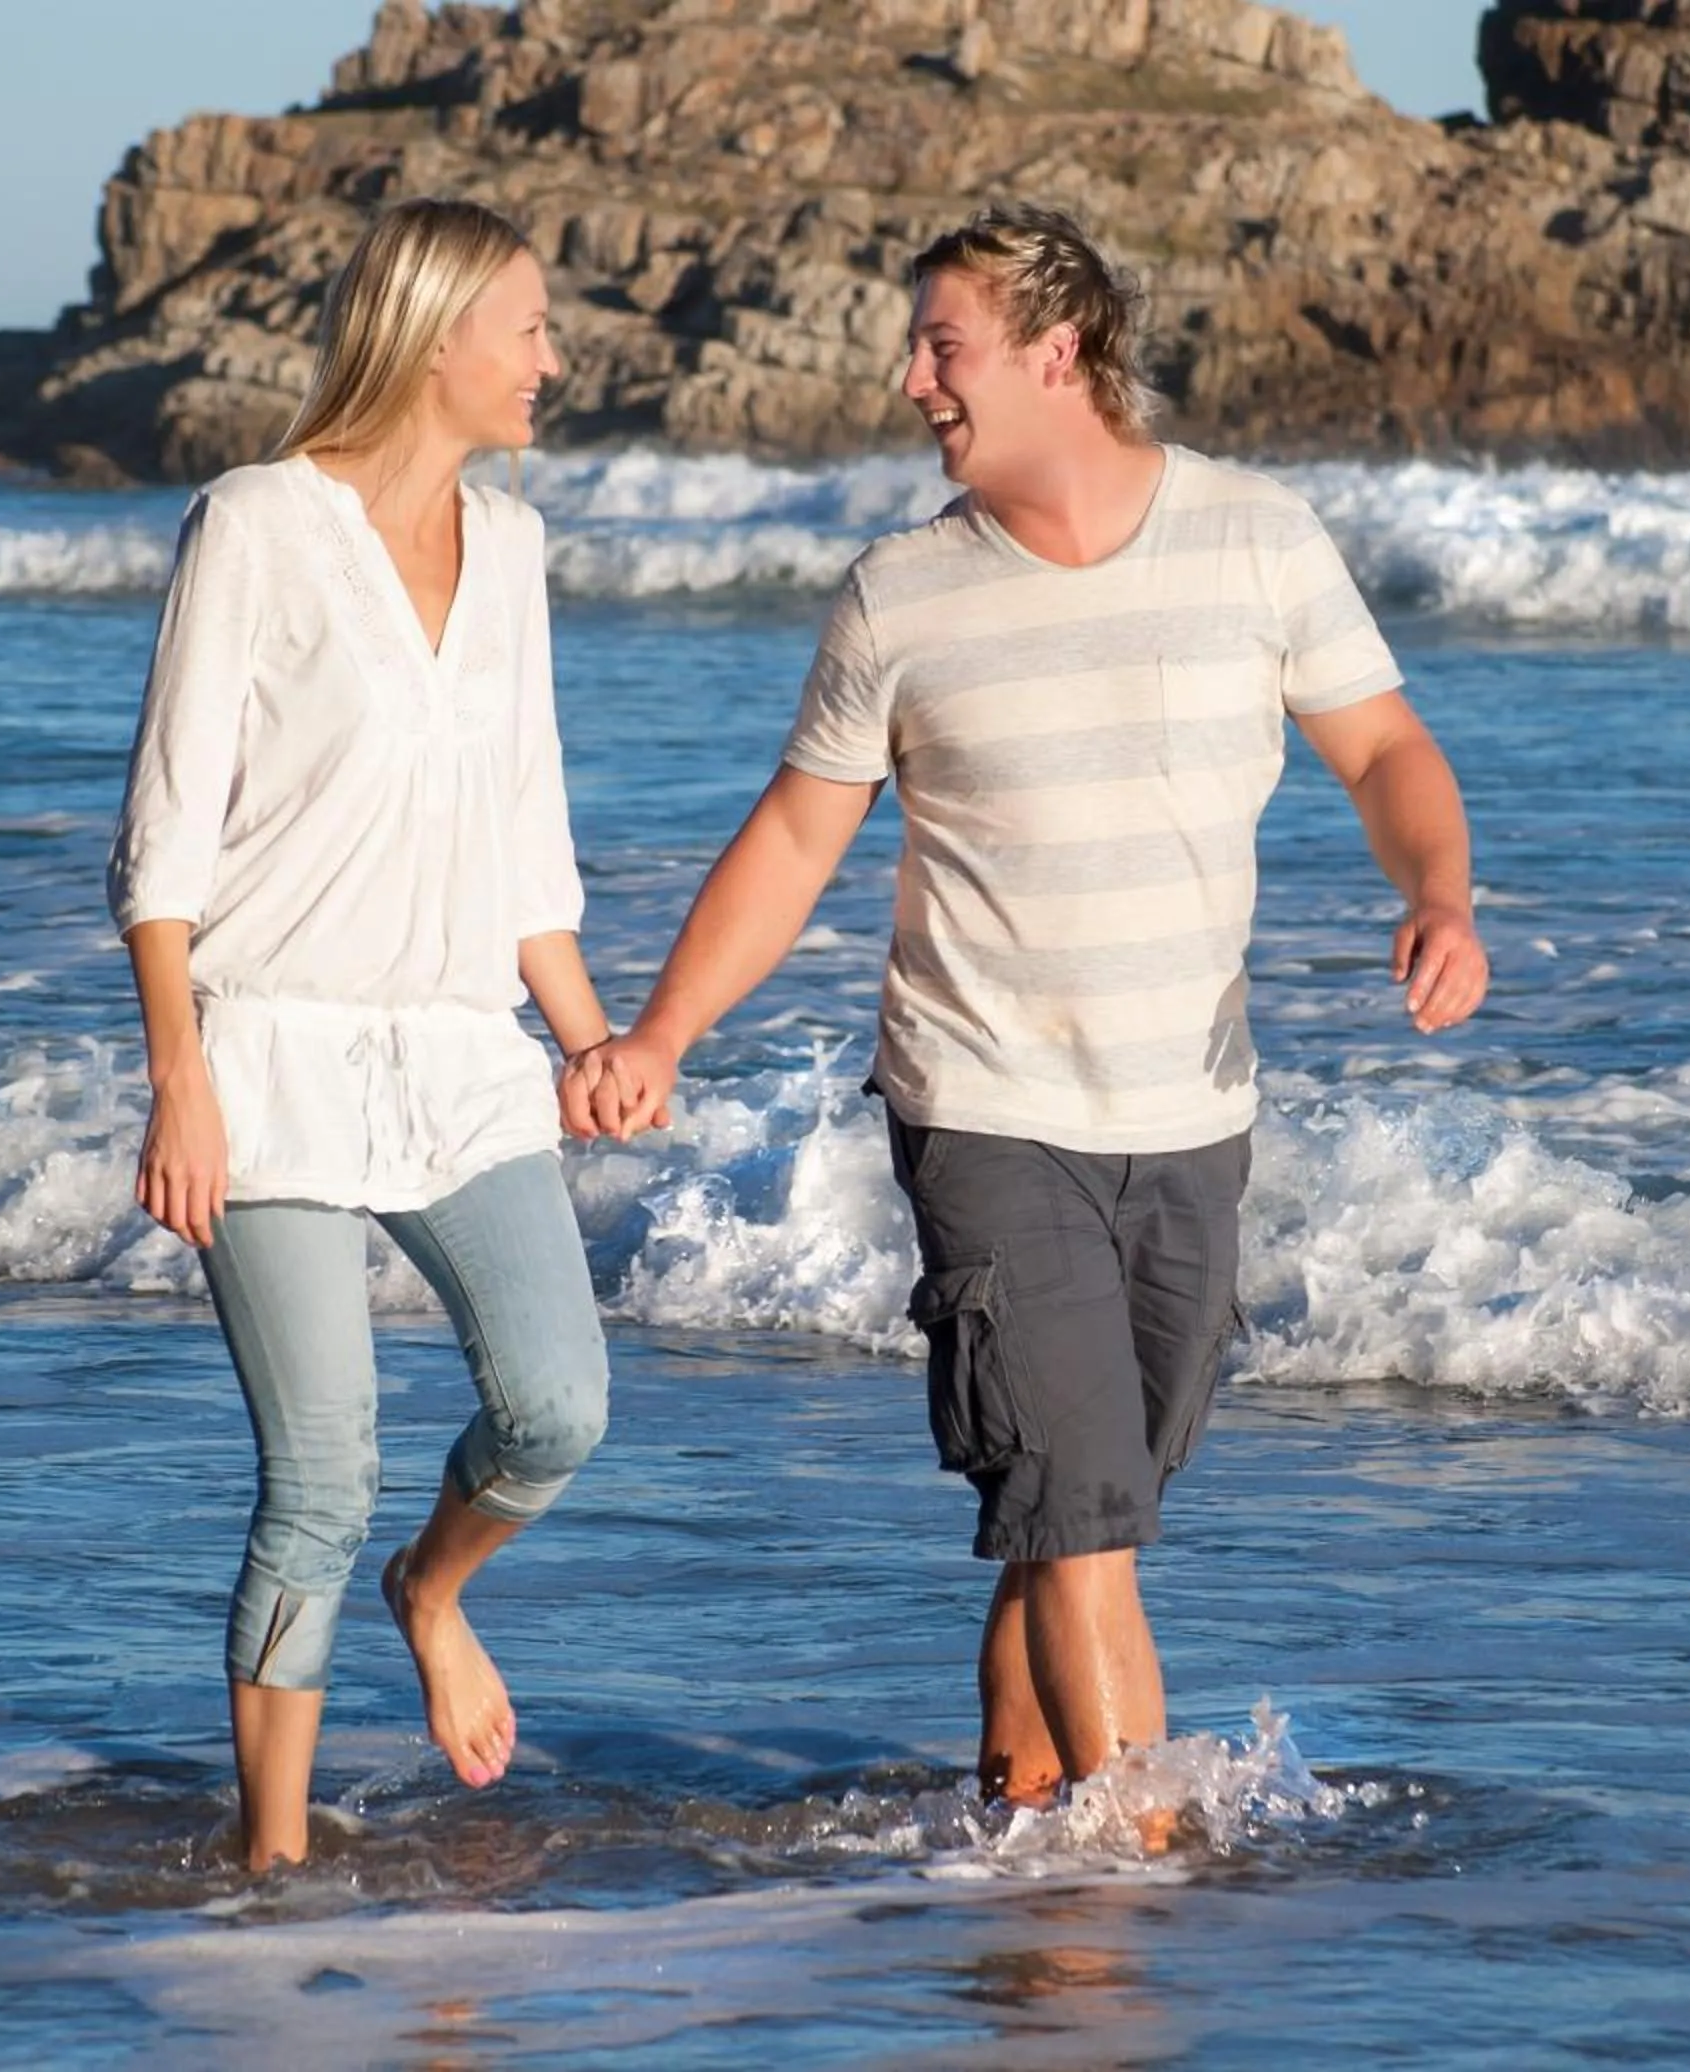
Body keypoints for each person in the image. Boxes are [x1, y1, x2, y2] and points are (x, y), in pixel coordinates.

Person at [564, 203, 1487, 1811]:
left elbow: (1389, 752)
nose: (911, 377)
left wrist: (1439, 896)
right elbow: (795, 837)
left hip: (1192, 1114)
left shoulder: (1258, 540)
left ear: (1060, 353)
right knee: (1083, 1525)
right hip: (984, 1108)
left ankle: (1019, 1838)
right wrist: (659, 1034)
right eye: (914, 345)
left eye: (945, 346)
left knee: (1087, 1513)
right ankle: (1147, 1869)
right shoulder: (899, 597)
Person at [108, 197, 613, 1871]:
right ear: (437, 333)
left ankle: (437, 1590)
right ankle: (274, 1868)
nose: (556, 358)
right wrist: (183, 1080)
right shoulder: (253, 524)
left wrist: (592, 1036)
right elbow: (166, 842)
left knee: (559, 1404)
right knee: (318, 1477)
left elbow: (525, 836)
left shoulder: (519, 550)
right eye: (531, 327)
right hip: (267, 1061)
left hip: (463, 1057)